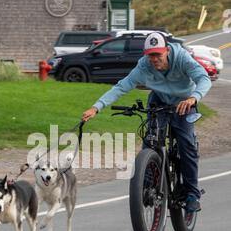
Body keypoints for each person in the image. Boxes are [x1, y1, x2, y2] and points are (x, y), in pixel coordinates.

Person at [82, 32, 212, 213]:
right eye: (150, 55)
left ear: (166, 51)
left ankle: (192, 194)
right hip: (159, 100)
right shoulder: (144, 65)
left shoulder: (182, 58)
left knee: (186, 144)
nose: (154, 59)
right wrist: (96, 107)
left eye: (158, 54)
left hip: (184, 102)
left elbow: (203, 78)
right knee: (150, 141)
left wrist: (194, 98)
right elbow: (122, 86)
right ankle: (148, 184)